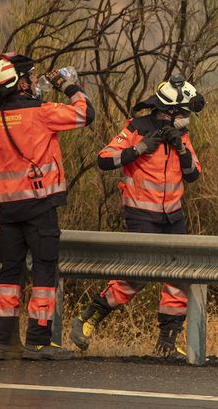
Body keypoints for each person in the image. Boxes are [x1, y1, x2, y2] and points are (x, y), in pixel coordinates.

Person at [70, 74, 204, 359]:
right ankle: (89, 317)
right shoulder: (137, 127)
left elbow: (193, 174)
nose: (186, 119)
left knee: (178, 278)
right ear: (169, 112)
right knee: (136, 277)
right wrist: (139, 149)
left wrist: (180, 148)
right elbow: (104, 159)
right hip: (142, 214)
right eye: (183, 113)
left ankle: (166, 345)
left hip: (173, 217)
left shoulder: (182, 135)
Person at [0, 53, 95, 361]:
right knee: (45, 271)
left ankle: (6, 342)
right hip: (39, 206)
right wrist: (69, 85)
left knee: (10, 274)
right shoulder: (41, 112)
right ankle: (37, 341)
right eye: (32, 78)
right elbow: (86, 114)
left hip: (9, 209)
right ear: (21, 84)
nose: (36, 82)